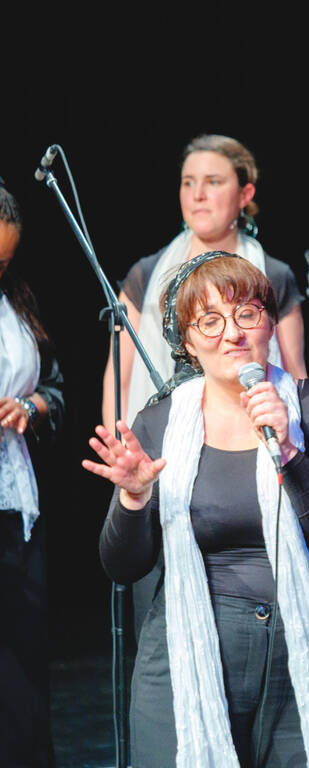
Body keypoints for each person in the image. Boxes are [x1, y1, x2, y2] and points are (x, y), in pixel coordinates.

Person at [85, 253, 309, 767]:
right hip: (187, 652)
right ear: (187, 343)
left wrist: (289, 450)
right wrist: (133, 499)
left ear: (270, 325)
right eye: (210, 321)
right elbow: (123, 567)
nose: (232, 334)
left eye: (247, 314)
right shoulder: (159, 423)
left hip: (297, 650)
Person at [100, 133, 309, 641]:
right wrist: (123, 455)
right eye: (188, 182)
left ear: (245, 194)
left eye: (213, 182)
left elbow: (296, 373)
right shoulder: (147, 274)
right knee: (162, 612)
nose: (197, 194)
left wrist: (296, 454)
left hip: (253, 461)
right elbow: (117, 374)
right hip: (164, 462)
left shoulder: (273, 275)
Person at [0, 178, 64, 767]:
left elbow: (55, 388)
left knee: (21, 649)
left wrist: (31, 406)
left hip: (15, 501)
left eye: (3, 261)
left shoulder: (17, 302)